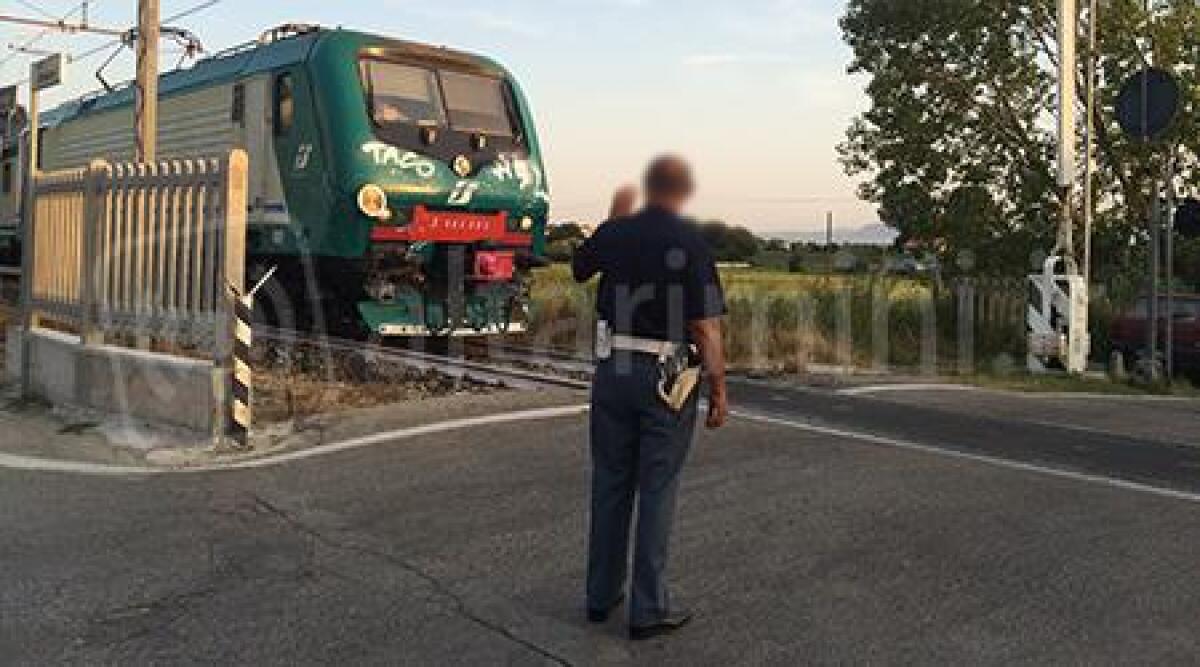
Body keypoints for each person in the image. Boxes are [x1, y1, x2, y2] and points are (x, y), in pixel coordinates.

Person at [572, 155, 729, 641]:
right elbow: (704, 327)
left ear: (647, 188)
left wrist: (611, 219)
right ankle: (648, 608)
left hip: (611, 369)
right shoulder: (690, 243)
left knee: (610, 481)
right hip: (665, 377)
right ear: (683, 193)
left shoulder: (615, 233)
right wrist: (720, 388)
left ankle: (600, 597)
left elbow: (579, 268)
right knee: (657, 487)